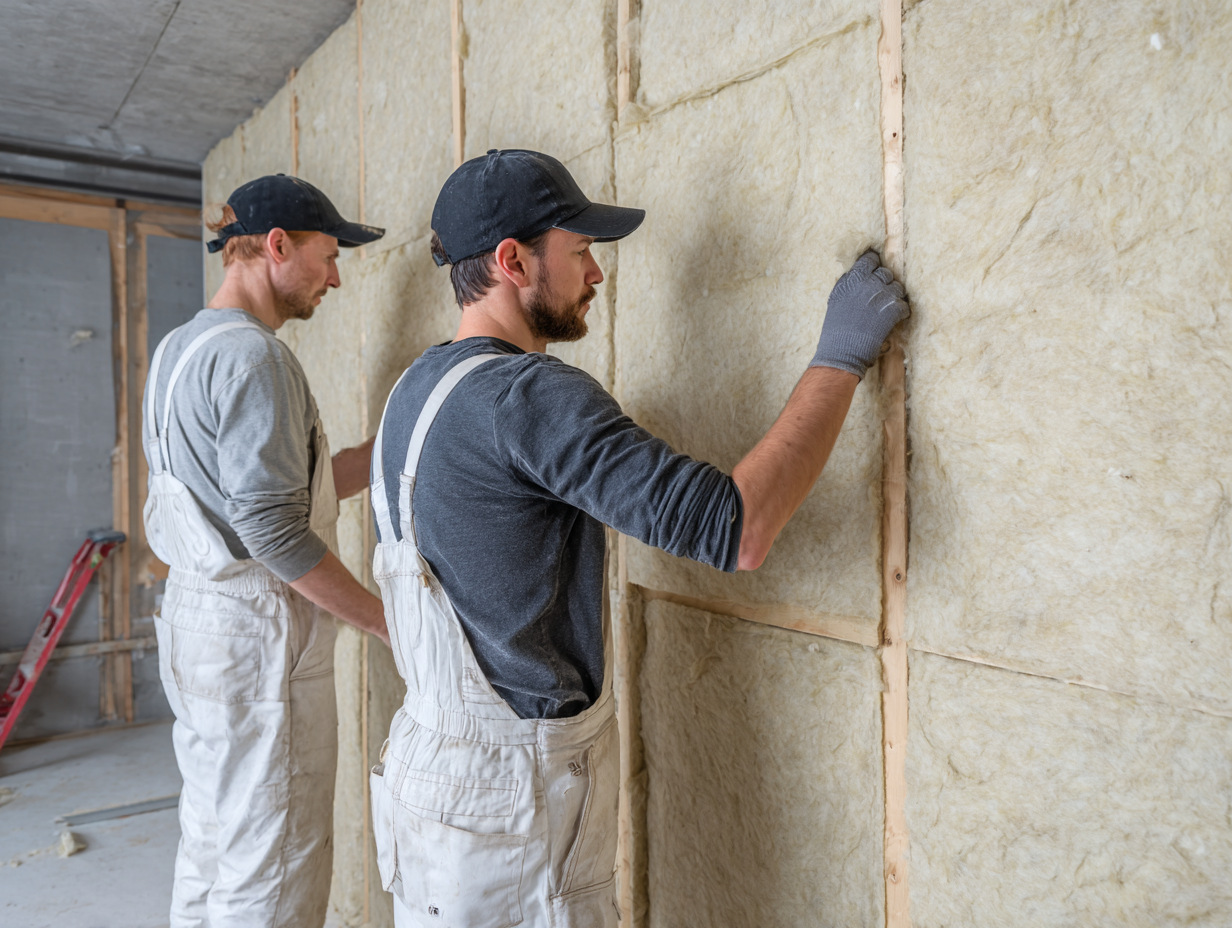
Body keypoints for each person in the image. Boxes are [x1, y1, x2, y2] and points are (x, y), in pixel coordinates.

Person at [367, 149, 908, 928]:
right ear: (513, 261)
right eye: (580, 251)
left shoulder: (413, 390)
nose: (597, 273)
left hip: (430, 787)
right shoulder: (528, 397)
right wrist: (840, 356)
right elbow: (738, 530)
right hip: (512, 808)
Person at [143, 174, 390, 928]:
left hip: (197, 625)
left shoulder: (180, 348)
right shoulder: (257, 360)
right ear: (278, 245)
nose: (336, 278)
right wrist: (386, 620)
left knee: (214, 843)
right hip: (255, 642)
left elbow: (260, 494)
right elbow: (275, 532)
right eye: (329, 255)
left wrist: (382, 453)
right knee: (272, 869)